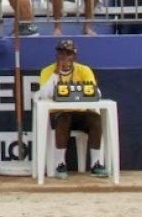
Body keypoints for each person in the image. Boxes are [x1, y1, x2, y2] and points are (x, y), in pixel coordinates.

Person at [35, 39, 106, 179]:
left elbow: (96, 93)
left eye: (68, 53)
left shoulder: (84, 70)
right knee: (64, 118)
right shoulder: (47, 71)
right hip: (59, 114)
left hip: (80, 113)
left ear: (74, 56)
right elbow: (43, 95)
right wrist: (56, 73)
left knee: (95, 119)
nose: (64, 57)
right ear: (57, 55)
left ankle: (96, 163)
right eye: (61, 53)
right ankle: (60, 164)